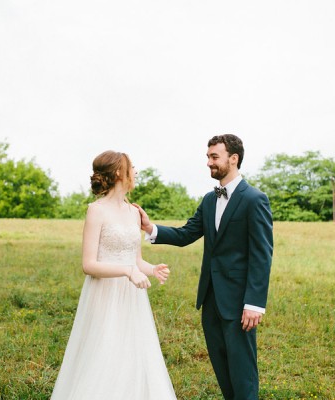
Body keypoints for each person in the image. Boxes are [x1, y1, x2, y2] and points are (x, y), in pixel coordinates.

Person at [135, 134, 273, 400]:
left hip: (240, 302)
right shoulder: (209, 200)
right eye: (208, 157)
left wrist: (254, 303)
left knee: (242, 370)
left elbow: (262, 254)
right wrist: (150, 228)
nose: (209, 163)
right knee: (222, 368)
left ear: (233, 159)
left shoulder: (255, 199)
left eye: (214, 157)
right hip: (210, 299)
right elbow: (187, 233)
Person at [50, 150, 177, 400]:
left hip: (132, 295)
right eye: (132, 167)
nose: (136, 172)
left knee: (132, 352)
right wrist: (127, 271)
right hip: (104, 294)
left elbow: (135, 258)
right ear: (119, 172)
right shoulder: (96, 210)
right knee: (105, 351)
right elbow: (89, 264)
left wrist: (151, 269)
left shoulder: (133, 211)